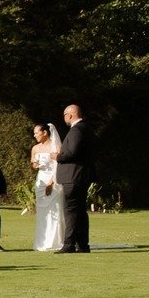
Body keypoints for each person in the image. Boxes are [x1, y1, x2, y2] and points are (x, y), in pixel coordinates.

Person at [55, 103, 93, 253]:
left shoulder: (76, 130)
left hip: (73, 176)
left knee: (70, 211)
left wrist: (57, 156)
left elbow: (72, 152)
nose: (64, 118)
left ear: (70, 115)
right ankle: (83, 244)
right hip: (81, 176)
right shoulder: (86, 128)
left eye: (65, 115)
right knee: (80, 211)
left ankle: (69, 244)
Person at [30, 122, 66, 253]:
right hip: (41, 180)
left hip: (54, 179)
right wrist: (35, 165)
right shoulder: (35, 148)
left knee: (55, 210)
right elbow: (33, 163)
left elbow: (59, 166)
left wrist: (51, 183)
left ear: (45, 132)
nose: (35, 135)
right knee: (43, 211)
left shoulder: (56, 146)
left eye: (36, 133)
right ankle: (42, 241)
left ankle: (56, 241)